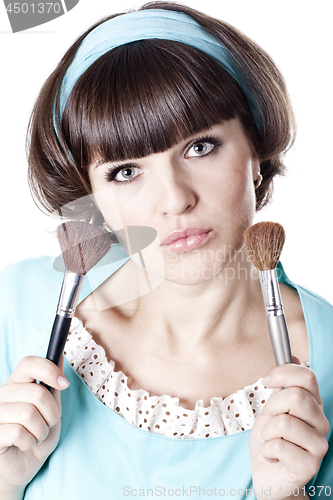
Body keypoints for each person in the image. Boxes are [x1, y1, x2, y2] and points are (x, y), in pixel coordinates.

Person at [0, 2, 332, 499]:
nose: (176, 200)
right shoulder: (15, 309)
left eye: (200, 147)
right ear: (92, 197)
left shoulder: (327, 357)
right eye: (125, 172)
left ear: (256, 150)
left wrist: (284, 495)